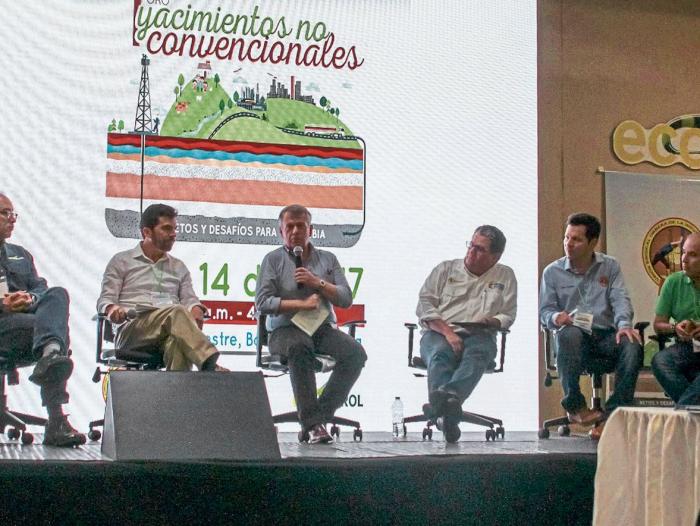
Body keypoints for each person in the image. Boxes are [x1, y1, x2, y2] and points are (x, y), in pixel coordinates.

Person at [255, 204, 367, 444]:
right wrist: (299, 305)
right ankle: (314, 425)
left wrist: (318, 283)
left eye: (301, 226)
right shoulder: (273, 260)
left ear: (311, 230)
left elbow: (346, 299)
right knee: (300, 346)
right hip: (284, 330)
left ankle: (320, 415)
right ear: (281, 232)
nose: (295, 231)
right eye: (290, 227)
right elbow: (262, 303)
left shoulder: (328, 259)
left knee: (356, 354)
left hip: (320, 328)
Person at [539, 212, 643, 439]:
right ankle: (575, 405)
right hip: (574, 342)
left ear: (592, 242)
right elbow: (545, 312)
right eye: (566, 238)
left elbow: (620, 298)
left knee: (632, 344)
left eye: (576, 239)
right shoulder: (552, 272)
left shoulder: (610, 266)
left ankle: (613, 415)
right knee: (570, 334)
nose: (569, 244)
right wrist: (558, 318)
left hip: (605, 337)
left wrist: (625, 325)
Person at [416, 225, 517, 439]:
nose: (471, 251)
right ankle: (448, 414)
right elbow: (425, 306)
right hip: (439, 330)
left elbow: (508, 314)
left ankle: (444, 403)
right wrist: (449, 333)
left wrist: (492, 321)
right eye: (471, 245)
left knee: (478, 354)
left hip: (481, 333)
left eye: (480, 249)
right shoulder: (445, 269)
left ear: (495, 257)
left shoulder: (505, 275)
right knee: (441, 353)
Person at [0, 193, 85, 446]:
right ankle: (56, 419)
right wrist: (3, 303)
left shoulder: (20, 254)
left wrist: (29, 299)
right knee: (55, 335)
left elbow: (41, 288)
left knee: (57, 295)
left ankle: (50, 355)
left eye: (13, 214)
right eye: (5, 213)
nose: (12, 220)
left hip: (25, 327)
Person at [97, 203, 223, 371]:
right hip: (132, 330)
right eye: (166, 229)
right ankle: (208, 362)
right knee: (176, 311)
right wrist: (112, 309)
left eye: (174, 229)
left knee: (178, 344)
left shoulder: (179, 267)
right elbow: (105, 300)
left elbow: (190, 300)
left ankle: (177, 397)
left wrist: (196, 308)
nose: (173, 234)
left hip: (166, 333)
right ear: (147, 232)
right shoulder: (121, 261)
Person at [651, 232, 700, 405]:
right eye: (684, 253)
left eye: (693, 255)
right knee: (660, 360)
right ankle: (691, 409)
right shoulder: (673, 281)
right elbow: (658, 324)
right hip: (686, 346)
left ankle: (684, 414)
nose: (684, 259)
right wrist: (675, 328)